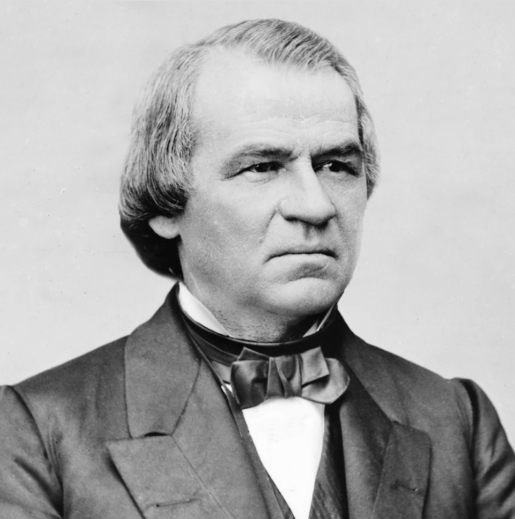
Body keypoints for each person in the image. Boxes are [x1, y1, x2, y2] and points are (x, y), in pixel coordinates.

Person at [0, 18, 514, 519]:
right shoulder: (39, 432)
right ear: (165, 205)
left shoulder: (457, 422)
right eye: (262, 167)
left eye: (337, 166)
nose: (315, 206)